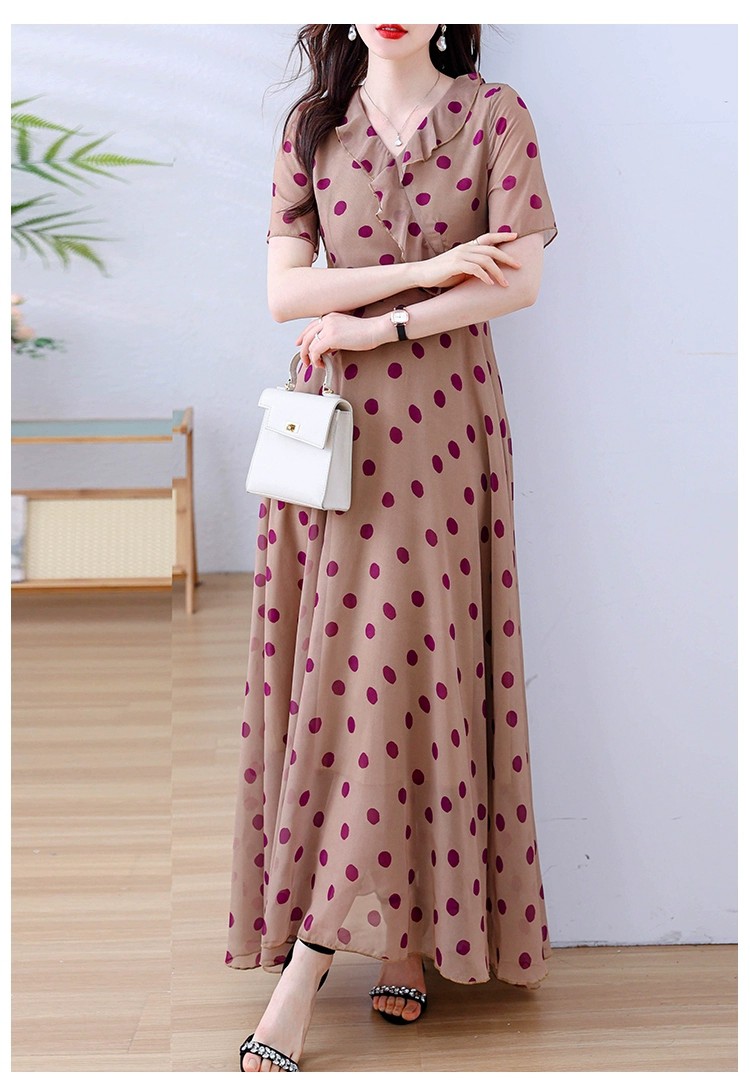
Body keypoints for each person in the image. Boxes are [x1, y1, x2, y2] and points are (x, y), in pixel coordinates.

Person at [227, 22, 558, 1073]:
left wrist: (380, 321)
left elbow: (517, 281)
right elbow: (285, 293)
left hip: (445, 427)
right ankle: (380, 935)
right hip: (339, 441)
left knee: (413, 669)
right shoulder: (314, 126)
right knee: (354, 679)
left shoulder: (495, 115)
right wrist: (429, 269)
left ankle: (325, 963)